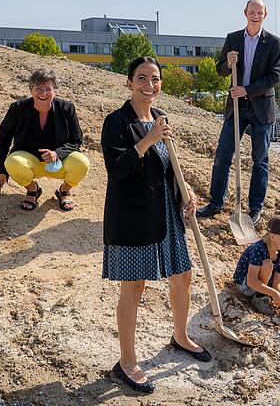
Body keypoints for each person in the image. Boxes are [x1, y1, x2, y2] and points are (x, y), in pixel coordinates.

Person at [101, 57, 207, 394]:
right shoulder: (116, 121)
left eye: (155, 79)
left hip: (166, 213)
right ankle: (127, 363)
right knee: (133, 288)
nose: (150, 85)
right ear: (129, 82)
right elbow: (117, 169)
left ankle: (179, 336)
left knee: (183, 276)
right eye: (142, 78)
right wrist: (148, 140)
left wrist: (185, 191)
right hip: (133, 216)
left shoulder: (162, 119)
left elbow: (168, 167)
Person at [196, 0, 280, 225]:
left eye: (260, 12)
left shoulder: (274, 43)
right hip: (236, 107)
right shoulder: (233, 39)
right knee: (223, 155)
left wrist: (247, 89)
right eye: (252, 11)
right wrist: (227, 63)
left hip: (262, 107)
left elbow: (274, 77)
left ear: (266, 14)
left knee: (260, 160)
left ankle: (255, 209)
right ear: (245, 13)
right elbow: (220, 71)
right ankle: (216, 203)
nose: (255, 15)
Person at [0, 68, 89, 211]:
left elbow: (76, 140)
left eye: (48, 89)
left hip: (59, 162)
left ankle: (64, 190)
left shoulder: (67, 108)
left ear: (54, 90)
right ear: (31, 89)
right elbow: (2, 139)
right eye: (38, 88)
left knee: (82, 163)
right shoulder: (17, 108)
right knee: (12, 162)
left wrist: (57, 154)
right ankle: (33, 190)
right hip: (30, 161)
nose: (43, 93)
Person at [232, 215, 280, 314]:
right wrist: (273, 293)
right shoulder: (258, 249)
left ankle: (265, 291)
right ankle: (260, 296)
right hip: (246, 285)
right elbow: (251, 281)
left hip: (262, 281)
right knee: (267, 264)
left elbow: (277, 283)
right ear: (273, 236)